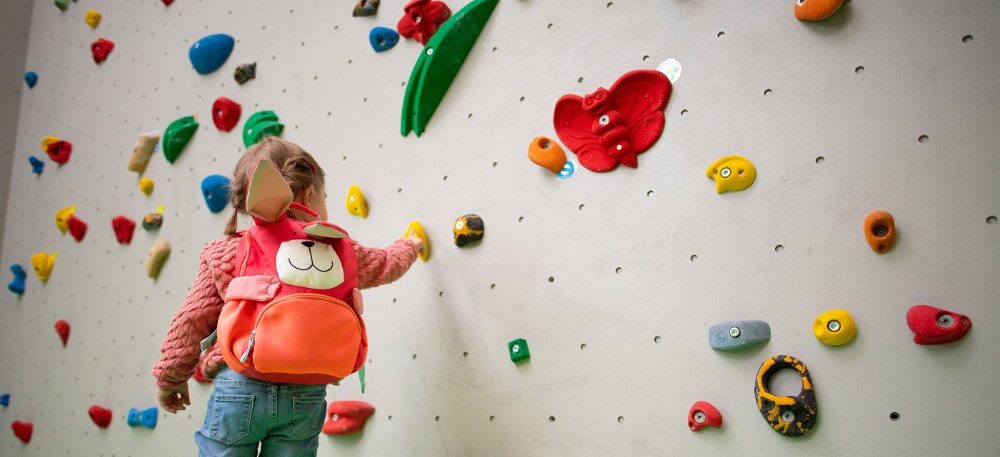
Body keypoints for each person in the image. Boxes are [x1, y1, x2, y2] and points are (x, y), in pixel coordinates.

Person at [152, 137, 422, 456]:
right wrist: (411, 244)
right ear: (309, 193)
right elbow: (387, 264)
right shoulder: (338, 248)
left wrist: (170, 379)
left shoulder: (228, 250)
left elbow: (191, 321)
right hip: (306, 392)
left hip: (240, 384)